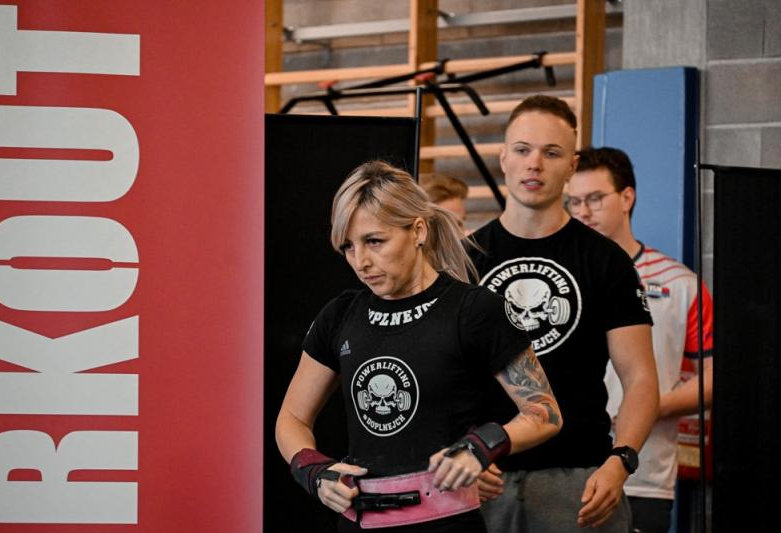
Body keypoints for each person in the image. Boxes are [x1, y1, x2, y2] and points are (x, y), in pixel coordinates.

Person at [276, 160, 563, 532]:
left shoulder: (473, 310)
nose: (361, 261)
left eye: (375, 241)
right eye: (348, 246)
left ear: (418, 231)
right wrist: (314, 471)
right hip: (358, 523)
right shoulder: (340, 315)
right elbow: (292, 418)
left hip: (447, 523)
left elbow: (545, 412)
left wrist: (482, 445)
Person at [469, 95, 659, 532]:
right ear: (503, 157)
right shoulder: (462, 260)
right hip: (482, 480)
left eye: (551, 153)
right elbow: (440, 374)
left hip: (580, 482)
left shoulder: (607, 261)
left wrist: (621, 460)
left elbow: (640, 377)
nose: (534, 164)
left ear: (571, 166)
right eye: (523, 149)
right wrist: (459, 451)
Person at [567, 146, 713, 533]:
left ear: (627, 197)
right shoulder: (556, 279)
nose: (583, 212)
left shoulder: (680, 283)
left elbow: (716, 377)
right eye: (574, 202)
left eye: (595, 198)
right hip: (560, 470)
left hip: (642, 475)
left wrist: (649, 406)